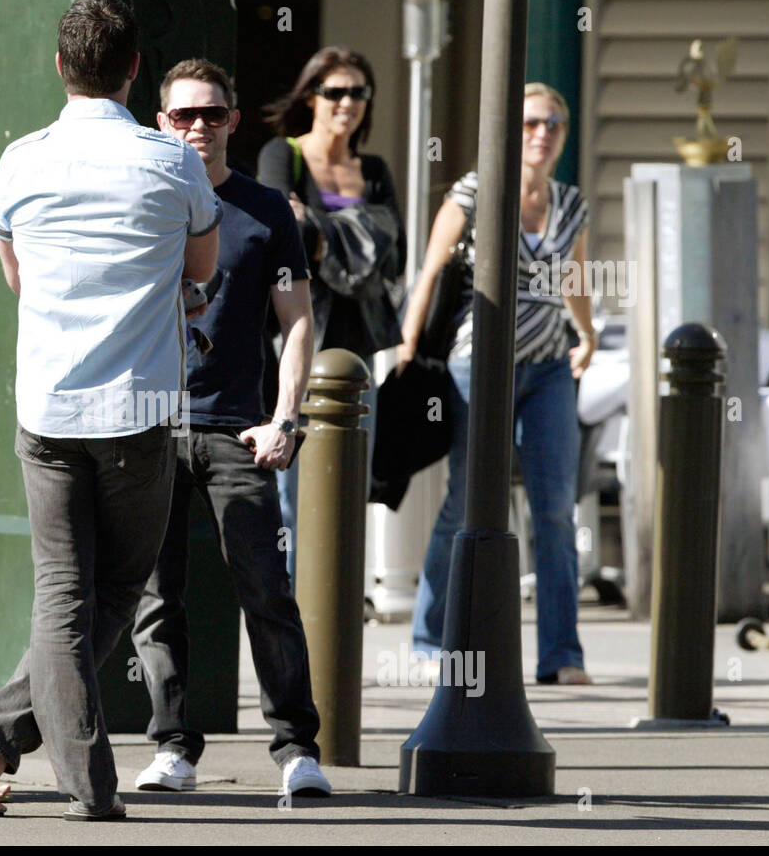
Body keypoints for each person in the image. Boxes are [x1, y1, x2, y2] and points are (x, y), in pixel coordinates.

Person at [0, 0, 221, 820]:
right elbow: (202, 269)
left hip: (49, 408)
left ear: (60, 66)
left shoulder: (21, 161)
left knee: (66, 593)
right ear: (136, 69)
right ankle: (85, 782)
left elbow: (17, 273)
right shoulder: (174, 164)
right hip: (136, 413)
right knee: (111, 590)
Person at [128, 58, 330, 798]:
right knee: (155, 598)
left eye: (211, 114)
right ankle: (173, 746)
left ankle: (297, 749)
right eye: (182, 115)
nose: (197, 127)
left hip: (236, 429)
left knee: (265, 588)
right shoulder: (144, 200)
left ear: (234, 121)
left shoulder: (267, 209)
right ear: (160, 121)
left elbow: (298, 320)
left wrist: (284, 419)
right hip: (150, 427)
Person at [395, 83, 596, 686]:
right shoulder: (475, 191)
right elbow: (429, 272)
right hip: (476, 364)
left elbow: (575, 280)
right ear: (512, 130)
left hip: (550, 366)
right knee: (467, 499)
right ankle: (431, 640)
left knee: (556, 509)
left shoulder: (570, 204)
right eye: (530, 122)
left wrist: (586, 335)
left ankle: (561, 655)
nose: (541, 134)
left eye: (553, 124)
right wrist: (407, 349)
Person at [255, 47, 406, 583]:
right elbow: (282, 234)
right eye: (335, 91)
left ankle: (340, 601)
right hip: (297, 338)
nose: (348, 103)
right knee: (292, 490)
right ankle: (296, 607)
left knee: (351, 482)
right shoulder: (283, 155)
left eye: (359, 93)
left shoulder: (376, 169)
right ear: (311, 96)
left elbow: (396, 252)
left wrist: (320, 231)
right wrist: (357, 232)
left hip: (358, 350)